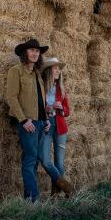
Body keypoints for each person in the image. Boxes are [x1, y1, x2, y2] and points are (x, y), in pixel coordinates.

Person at [5, 39, 74, 201]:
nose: (35, 54)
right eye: (32, 51)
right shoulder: (16, 71)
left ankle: (30, 197)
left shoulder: (37, 73)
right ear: (25, 53)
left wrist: (47, 119)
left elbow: (41, 99)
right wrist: (23, 120)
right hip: (28, 122)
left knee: (36, 160)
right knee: (30, 159)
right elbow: (11, 97)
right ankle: (33, 198)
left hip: (42, 122)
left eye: (37, 51)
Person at [39, 57, 71, 197]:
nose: (58, 71)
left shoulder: (62, 89)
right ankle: (65, 185)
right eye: (55, 68)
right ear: (48, 71)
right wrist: (46, 109)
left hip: (60, 127)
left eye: (59, 69)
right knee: (45, 159)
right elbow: (37, 106)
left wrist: (61, 108)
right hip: (46, 124)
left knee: (60, 163)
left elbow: (67, 111)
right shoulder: (41, 87)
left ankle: (55, 195)